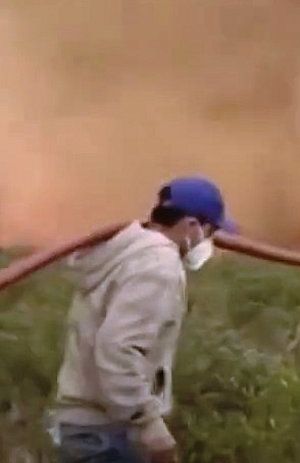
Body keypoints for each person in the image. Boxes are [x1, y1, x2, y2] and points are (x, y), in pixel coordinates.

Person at [50, 176, 237, 463]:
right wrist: (147, 422)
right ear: (191, 226)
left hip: (83, 427)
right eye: (209, 231)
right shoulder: (158, 266)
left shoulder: (127, 251)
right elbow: (117, 348)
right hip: (104, 434)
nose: (208, 240)